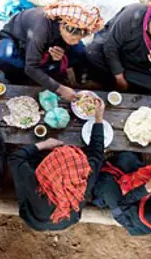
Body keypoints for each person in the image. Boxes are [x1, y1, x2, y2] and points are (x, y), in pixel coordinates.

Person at [9, 98, 106, 230]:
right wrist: (98, 117)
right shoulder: (84, 180)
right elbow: (97, 152)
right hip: (65, 221)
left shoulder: (34, 184)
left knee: (33, 159)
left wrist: (44, 144)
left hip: (34, 221)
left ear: (49, 169)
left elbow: (15, 158)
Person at [0, 3, 104, 101]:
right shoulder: (41, 31)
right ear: (63, 26)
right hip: (18, 38)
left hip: (46, 42)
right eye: (73, 39)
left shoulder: (69, 26)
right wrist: (60, 89)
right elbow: (31, 67)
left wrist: (61, 54)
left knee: (79, 50)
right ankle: (15, 78)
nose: (75, 42)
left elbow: (65, 43)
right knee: (5, 59)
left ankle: (80, 80)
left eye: (78, 39)